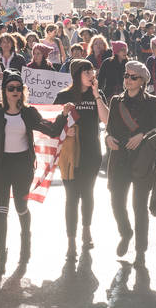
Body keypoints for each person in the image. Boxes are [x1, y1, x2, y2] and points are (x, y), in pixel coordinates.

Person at [0, 70, 69, 277]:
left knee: (21, 207)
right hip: (1, 165)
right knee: (1, 209)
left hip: (22, 165)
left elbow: (52, 130)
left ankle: (25, 241)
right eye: (11, 88)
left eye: (19, 88)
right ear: (4, 91)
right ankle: (1, 256)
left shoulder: (28, 113)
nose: (15, 92)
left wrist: (63, 115)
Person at [105, 61, 156, 267]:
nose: (128, 80)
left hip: (142, 161)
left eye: (133, 77)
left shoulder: (153, 102)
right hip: (119, 158)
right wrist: (108, 138)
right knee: (116, 202)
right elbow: (109, 128)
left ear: (142, 81)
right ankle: (125, 232)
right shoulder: (115, 101)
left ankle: (140, 251)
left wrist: (142, 135)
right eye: (126, 76)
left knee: (139, 207)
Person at [53, 59, 109, 262]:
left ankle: (86, 229)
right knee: (71, 197)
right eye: (87, 71)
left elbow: (107, 120)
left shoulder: (97, 94)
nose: (92, 74)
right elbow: (54, 125)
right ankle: (71, 241)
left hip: (92, 152)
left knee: (87, 193)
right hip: (69, 154)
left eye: (92, 70)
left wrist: (96, 95)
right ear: (77, 75)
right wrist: (64, 128)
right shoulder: (64, 96)